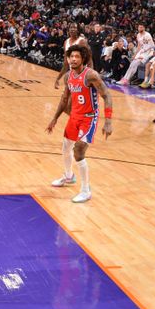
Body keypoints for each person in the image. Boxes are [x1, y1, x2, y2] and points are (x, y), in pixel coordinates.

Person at [47, 45, 113, 203]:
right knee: (65, 147)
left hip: (89, 118)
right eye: (71, 57)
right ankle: (69, 176)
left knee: (79, 151)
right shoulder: (68, 76)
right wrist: (55, 118)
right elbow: (64, 99)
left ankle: (86, 190)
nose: (74, 59)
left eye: (77, 56)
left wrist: (108, 121)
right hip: (74, 117)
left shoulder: (91, 75)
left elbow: (107, 95)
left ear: (83, 59)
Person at [53, 24, 91, 88]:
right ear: (68, 30)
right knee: (67, 96)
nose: (72, 29)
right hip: (72, 74)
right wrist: (58, 79)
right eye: (71, 27)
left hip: (83, 74)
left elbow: (89, 59)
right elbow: (65, 64)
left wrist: (89, 77)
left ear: (78, 30)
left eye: (74, 27)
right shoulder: (66, 42)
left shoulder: (82, 41)